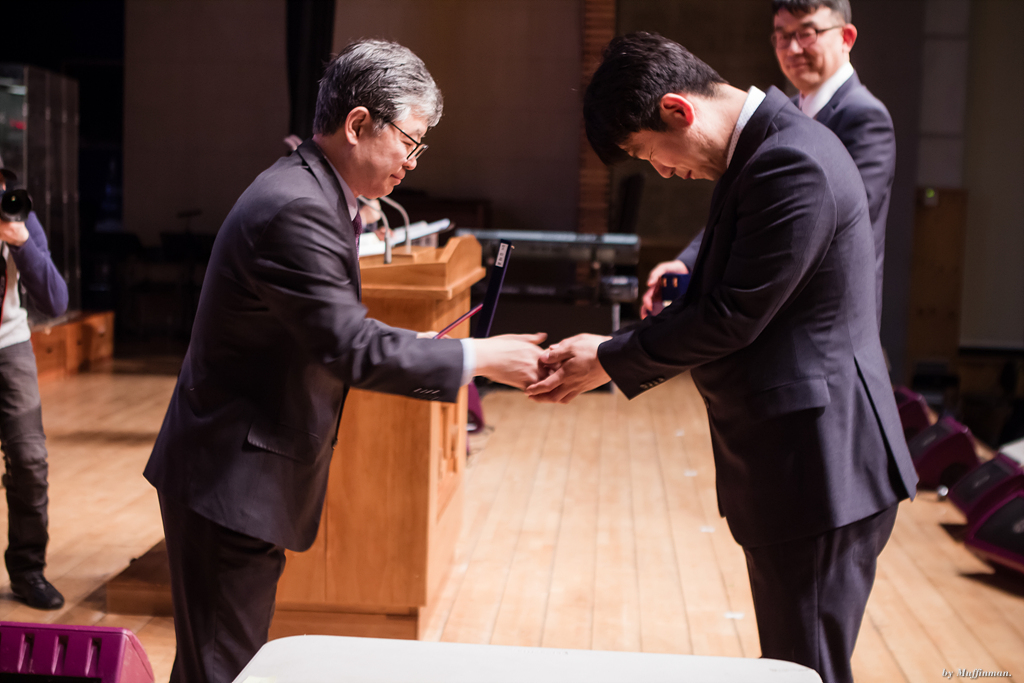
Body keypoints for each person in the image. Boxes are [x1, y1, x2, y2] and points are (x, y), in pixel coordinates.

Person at [144, 40, 545, 683]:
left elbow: (328, 328)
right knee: (221, 670)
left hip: (234, 466)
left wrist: (441, 353)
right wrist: (476, 357)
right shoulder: (298, 206)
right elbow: (348, 346)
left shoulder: (313, 190)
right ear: (358, 123)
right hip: (229, 474)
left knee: (212, 665)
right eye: (409, 142)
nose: (411, 162)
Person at [527, 32, 917, 683]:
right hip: (805, 465)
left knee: (805, 671)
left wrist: (609, 357)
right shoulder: (768, 149)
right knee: (793, 664)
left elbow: (734, 315)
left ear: (677, 110)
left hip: (821, 470)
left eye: (649, 153)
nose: (663, 171)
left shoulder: (789, 160)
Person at [642, 0, 895, 328]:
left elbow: (835, 219)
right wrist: (689, 263)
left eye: (807, 33)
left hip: (826, 316)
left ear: (846, 37)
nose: (792, 48)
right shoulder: (784, 111)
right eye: (782, 36)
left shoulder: (864, 115)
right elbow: (751, 203)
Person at [0, 166, 68, 610]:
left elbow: (56, 301)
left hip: (10, 346)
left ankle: (28, 570)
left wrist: (21, 242)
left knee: (29, 460)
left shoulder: (16, 214)